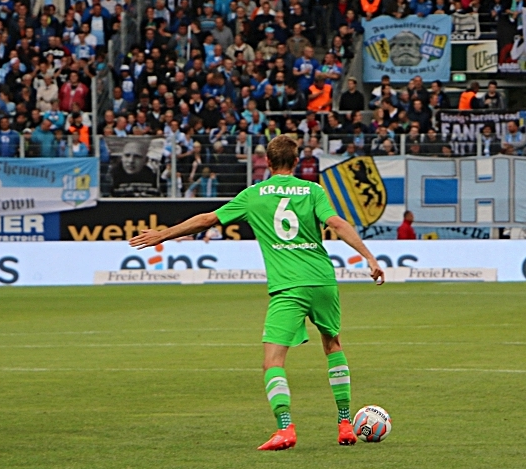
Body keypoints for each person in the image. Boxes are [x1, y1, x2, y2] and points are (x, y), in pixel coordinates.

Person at [129, 135, 384, 450]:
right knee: (333, 345)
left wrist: (163, 235)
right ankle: (345, 424)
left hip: (289, 286)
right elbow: (338, 224)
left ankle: (285, 429)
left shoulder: (253, 195)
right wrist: (369, 257)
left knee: (272, 361)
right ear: (295, 161)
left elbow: (207, 220)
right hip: (322, 281)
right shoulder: (313, 190)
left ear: (268, 161)